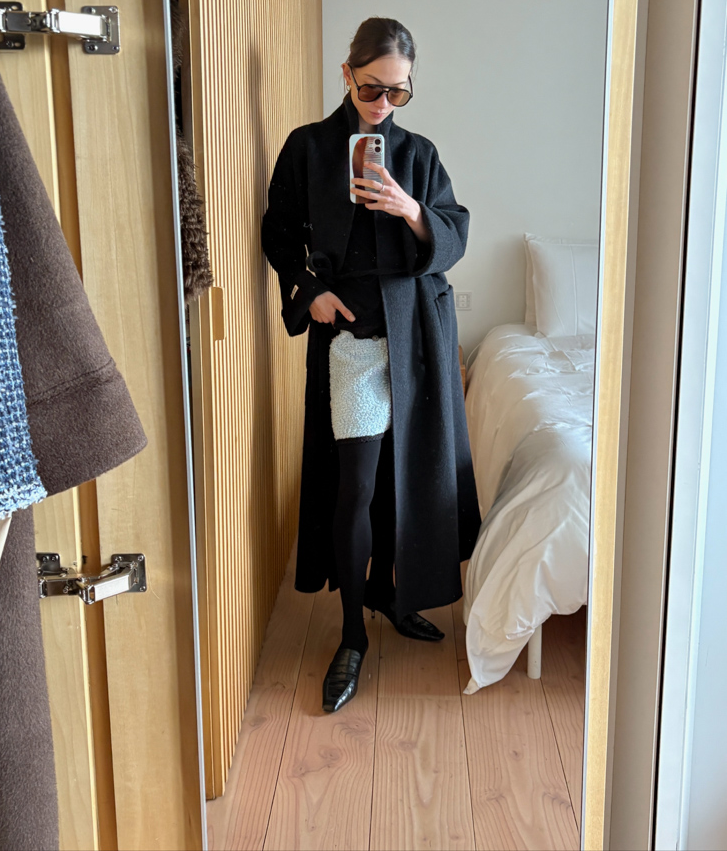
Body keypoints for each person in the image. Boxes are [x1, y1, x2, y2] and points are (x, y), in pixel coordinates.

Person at [261, 17, 481, 713]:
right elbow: (276, 232)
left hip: (417, 339)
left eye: (399, 92)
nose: (383, 103)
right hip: (353, 340)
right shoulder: (308, 148)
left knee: (409, 476)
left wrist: (411, 209)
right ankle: (351, 633)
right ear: (347, 74)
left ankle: (392, 594)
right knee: (354, 484)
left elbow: (455, 234)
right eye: (371, 87)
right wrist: (310, 291)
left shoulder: (418, 154)